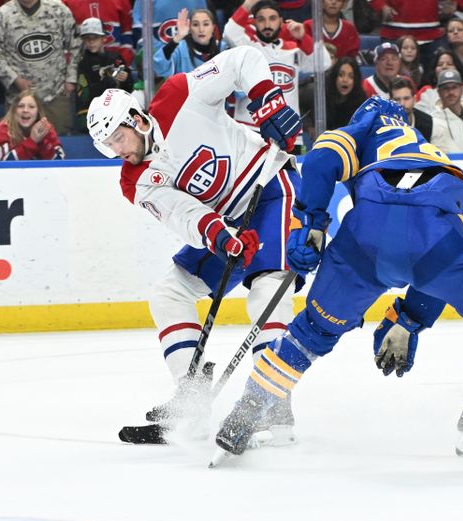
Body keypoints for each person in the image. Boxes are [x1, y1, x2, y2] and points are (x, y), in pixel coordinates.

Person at [214, 96, 463, 465]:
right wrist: (410, 319)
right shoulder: (436, 155)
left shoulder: (366, 130)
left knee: (311, 332)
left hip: (366, 233)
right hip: (439, 225)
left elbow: (321, 157)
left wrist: (312, 224)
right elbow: (462, 244)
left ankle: (245, 414)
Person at [86, 46, 304, 444]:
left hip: (270, 187)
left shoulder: (177, 95)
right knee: (169, 293)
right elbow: (183, 213)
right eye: (109, 145)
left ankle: (275, 401)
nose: (118, 150)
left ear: (136, 119)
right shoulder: (134, 181)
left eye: (119, 137)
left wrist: (267, 102)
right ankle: (193, 397)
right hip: (226, 223)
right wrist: (222, 237)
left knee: (267, 289)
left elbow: (242, 60)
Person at [224, 0, 331, 152]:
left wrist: (303, 37)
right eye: (261, 19)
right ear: (254, 22)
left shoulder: (293, 50)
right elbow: (229, 32)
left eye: (272, 18)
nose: (267, 24)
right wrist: (248, 5)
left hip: (286, 130)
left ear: (281, 22)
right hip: (249, 129)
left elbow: (324, 63)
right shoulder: (248, 48)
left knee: (287, 176)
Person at [0, 0, 83, 135]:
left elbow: (77, 44)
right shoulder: (3, 14)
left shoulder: (58, 9)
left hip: (55, 94)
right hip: (19, 98)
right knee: (19, 145)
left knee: (59, 144)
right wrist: (15, 79)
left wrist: (71, 79)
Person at [76, 17, 134, 132]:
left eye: (95, 38)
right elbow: (83, 94)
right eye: (87, 39)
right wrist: (106, 84)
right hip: (90, 114)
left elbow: (130, 87)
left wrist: (126, 78)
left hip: (116, 112)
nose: (91, 42)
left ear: (104, 38)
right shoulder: (82, 63)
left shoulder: (115, 58)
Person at [0, 89, 66, 160]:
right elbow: (3, 167)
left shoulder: (45, 128)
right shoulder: (0, 131)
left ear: (38, 112)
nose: (25, 110)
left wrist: (42, 142)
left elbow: (60, 163)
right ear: (13, 110)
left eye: (31, 107)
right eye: (21, 106)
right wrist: (32, 141)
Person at [153, 8, 227, 80]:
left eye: (206, 24)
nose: (201, 29)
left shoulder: (224, 49)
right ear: (190, 28)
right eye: (195, 25)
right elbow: (159, 66)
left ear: (213, 27)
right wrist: (177, 38)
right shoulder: (180, 49)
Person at [62, 0, 135, 65]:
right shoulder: (66, 3)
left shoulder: (122, 1)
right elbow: (64, 40)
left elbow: (127, 35)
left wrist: (121, 64)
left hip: (115, 65)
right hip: (81, 67)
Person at [416, 48, 463, 113]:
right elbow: (419, 118)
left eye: (449, 64)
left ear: (457, 68)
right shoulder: (427, 93)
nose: (444, 67)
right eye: (440, 64)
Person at [389, 76, 433, 141]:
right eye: (397, 99)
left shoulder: (428, 123)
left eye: (406, 98)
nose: (402, 104)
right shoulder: (380, 125)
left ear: (414, 99)